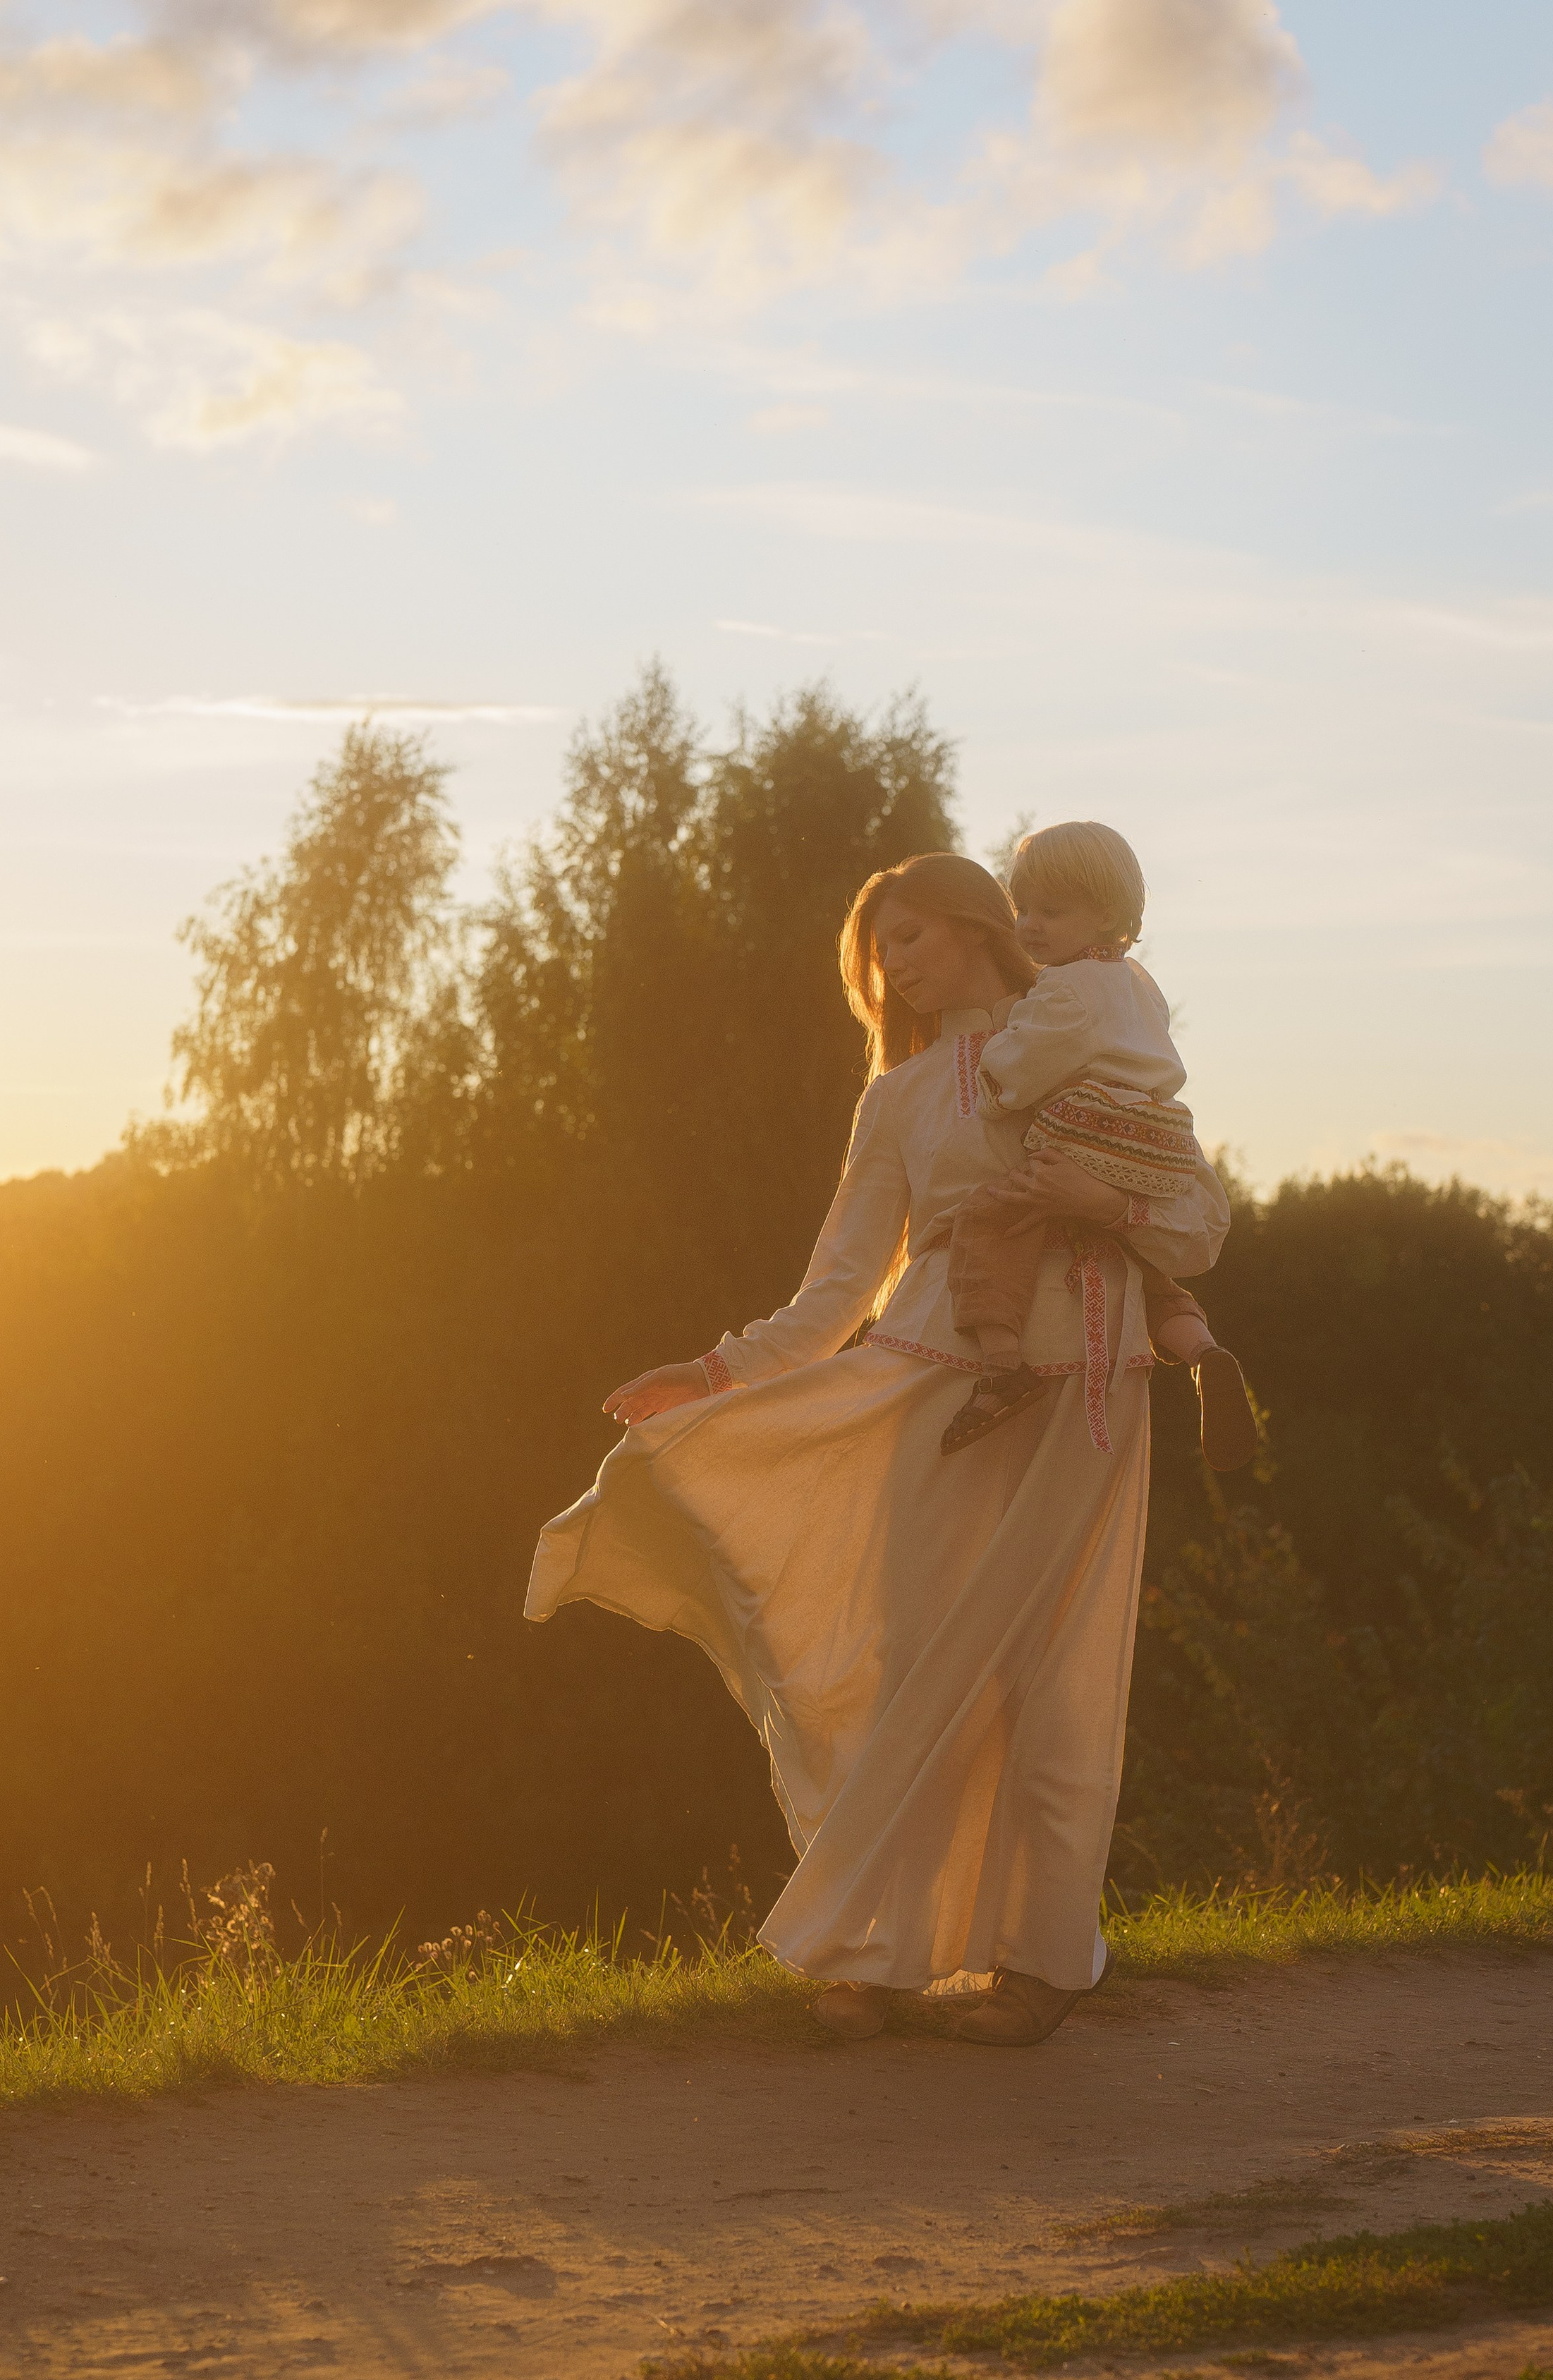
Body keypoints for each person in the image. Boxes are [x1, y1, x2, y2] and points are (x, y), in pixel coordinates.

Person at [525, 852, 1229, 2046]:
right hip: (930, 1390)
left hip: (1085, 1394)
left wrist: (1101, 1206)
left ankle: (1044, 1965)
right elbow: (838, 1289)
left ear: (976, 926)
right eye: (878, 949)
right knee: (911, 1663)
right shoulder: (897, 1100)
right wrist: (709, 1376)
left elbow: (1198, 1218)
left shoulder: (1082, 1027)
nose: (891, 964)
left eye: (909, 936)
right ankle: (882, 1956)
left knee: (1051, 1683)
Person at [930, 820, 1257, 1474]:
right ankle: (1202, 1351)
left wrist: (996, 1046)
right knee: (1135, 1257)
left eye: (1051, 912)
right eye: (1024, 910)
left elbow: (1015, 1075)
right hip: (1154, 1141)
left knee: (994, 1217)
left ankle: (999, 1367)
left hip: (1088, 1132)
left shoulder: (1064, 990)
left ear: (1107, 915)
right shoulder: (1140, 983)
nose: (1030, 927)